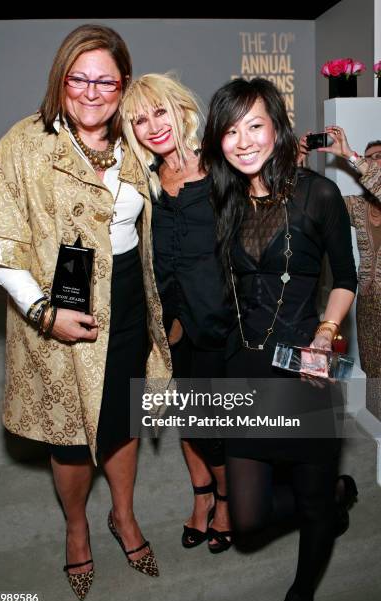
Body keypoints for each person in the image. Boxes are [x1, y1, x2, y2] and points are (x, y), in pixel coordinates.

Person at [0, 25, 171, 600]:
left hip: (130, 293)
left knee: (121, 416)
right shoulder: (25, 143)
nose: (90, 91)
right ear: (60, 81)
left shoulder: (137, 139)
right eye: (77, 78)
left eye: (104, 80)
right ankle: (78, 527)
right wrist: (42, 310)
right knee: (69, 430)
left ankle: (124, 516)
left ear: (123, 84)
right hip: (60, 304)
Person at [201, 78, 357, 601]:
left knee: (311, 503)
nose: (242, 141)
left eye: (254, 126)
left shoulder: (319, 194)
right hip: (244, 367)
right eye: (229, 130)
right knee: (247, 519)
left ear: (277, 128)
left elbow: (345, 279)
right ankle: (335, 493)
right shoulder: (225, 199)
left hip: (304, 369)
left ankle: (301, 592)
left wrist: (324, 334)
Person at [120, 73, 232, 553]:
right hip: (168, 325)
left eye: (160, 111)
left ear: (181, 110)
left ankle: (226, 501)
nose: (153, 126)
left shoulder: (222, 166)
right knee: (187, 417)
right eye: (140, 119)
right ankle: (202, 497)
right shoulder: (140, 180)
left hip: (221, 321)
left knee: (214, 424)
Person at [299, 128, 381, 420]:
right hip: (369, 303)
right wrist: (299, 160)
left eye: (380, 158)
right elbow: (311, 203)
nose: (374, 163)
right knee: (373, 372)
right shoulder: (356, 206)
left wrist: (351, 155)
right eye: (371, 158)